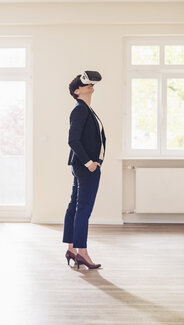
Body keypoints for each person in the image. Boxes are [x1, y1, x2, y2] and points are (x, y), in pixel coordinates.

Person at [62, 71, 106, 269]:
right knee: (83, 209)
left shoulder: (86, 109)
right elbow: (73, 140)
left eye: (90, 84)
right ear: (76, 91)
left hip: (80, 166)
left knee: (75, 207)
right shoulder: (80, 110)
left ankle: (72, 248)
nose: (90, 86)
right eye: (84, 84)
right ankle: (83, 253)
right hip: (85, 167)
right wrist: (90, 162)